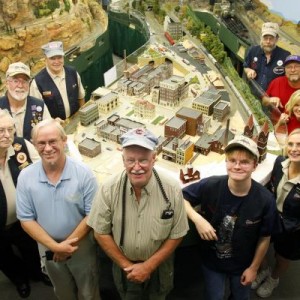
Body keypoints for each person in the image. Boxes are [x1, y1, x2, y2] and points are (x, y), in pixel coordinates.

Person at [87, 127, 189, 300]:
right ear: (123, 160)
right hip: (125, 268)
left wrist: (148, 267)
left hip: (159, 268)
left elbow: (177, 234)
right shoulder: (108, 189)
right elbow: (100, 232)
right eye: (131, 160)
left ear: (154, 159)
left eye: (143, 160)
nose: (136, 167)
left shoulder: (171, 190)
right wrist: (127, 266)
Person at [183, 135, 277, 300]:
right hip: (212, 261)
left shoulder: (265, 200)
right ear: (226, 163)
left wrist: (254, 268)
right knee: (215, 296)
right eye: (232, 160)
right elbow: (181, 197)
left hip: (243, 264)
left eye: (245, 162)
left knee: (241, 296)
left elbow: (265, 237)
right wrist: (198, 219)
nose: (237, 166)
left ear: (255, 165)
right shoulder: (211, 185)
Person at [16, 119, 100, 300]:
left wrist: (65, 247)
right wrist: (55, 247)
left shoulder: (84, 174)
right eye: (41, 143)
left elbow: (91, 215)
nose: (47, 148)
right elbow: (26, 219)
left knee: (88, 292)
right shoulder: (25, 177)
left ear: (64, 140)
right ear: (34, 145)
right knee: (62, 292)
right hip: (48, 249)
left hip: (81, 249)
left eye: (53, 141)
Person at [0, 109, 50, 298]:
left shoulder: (22, 146)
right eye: (1, 130)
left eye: (10, 129)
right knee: (4, 257)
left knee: (30, 250)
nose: (7, 135)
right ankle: (19, 280)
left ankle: (38, 273)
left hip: (25, 220)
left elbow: (43, 168)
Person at [253, 129, 300, 298]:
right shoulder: (279, 163)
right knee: (260, 246)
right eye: (291, 144)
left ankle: (274, 278)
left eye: (299, 145)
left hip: (293, 228)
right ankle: (264, 270)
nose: (294, 149)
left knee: (282, 257)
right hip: (272, 217)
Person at [29, 41, 85, 121]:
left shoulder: (72, 72)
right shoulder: (37, 83)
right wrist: (52, 123)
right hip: (53, 128)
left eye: (59, 57)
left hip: (75, 121)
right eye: (52, 58)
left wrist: (81, 117)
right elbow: (36, 115)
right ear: (46, 59)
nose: (56, 61)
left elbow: (81, 97)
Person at [0, 62, 51, 141]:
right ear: (7, 83)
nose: (20, 86)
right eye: (16, 81)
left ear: (29, 83)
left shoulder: (39, 106)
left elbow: (49, 133)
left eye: (24, 81)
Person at [244, 22, 290, 98]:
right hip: (251, 95)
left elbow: (288, 80)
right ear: (261, 38)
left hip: (271, 101)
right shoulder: (253, 50)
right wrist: (249, 70)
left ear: (277, 39)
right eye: (265, 38)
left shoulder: (285, 56)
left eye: (271, 38)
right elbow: (246, 66)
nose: (268, 42)